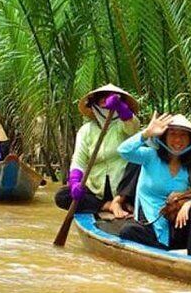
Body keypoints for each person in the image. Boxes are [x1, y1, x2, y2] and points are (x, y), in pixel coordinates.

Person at [117, 113, 191, 255]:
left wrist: (188, 204)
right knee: (127, 231)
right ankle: (165, 252)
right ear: (164, 137)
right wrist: (146, 133)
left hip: (177, 227)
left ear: (190, 140)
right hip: (150, 225)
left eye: (183, 135)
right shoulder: (150, 156)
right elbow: (124, 151)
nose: (178, 140)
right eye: (172, 134)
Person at [54, 84, 140, 217]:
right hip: (96, 190)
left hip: (124, 189)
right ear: (94, 105)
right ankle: (106, 206)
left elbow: (133, 125)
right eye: (102, 100)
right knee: (62, 196)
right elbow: (79, 161)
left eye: (108, 100)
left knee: (138, 165)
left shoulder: (122, 125)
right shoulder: (86, 131)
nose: (105, 104)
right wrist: (75, 182)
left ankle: (120, 202)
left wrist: (119, 107)